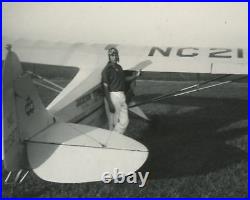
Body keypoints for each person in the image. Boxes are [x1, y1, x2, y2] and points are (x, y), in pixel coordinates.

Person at [102, 47, 140, 134]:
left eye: (115, 55)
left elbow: (124, 79)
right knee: (113, 123)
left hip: (121, 95)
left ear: (118, 56)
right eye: (112, 55)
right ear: (109, 56)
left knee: (124, 122)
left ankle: (115, 138)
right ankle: (112, 141)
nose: (114, 57)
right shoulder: (107, 70)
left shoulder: (119, 67)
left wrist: (136, 76)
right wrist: (110, 103)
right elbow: (105, 87)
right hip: (113, 96)